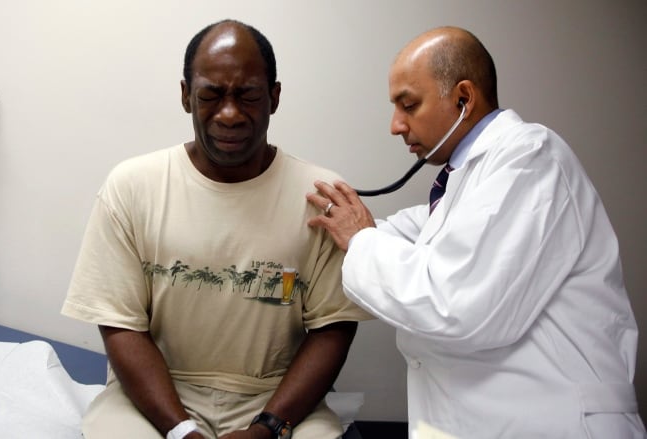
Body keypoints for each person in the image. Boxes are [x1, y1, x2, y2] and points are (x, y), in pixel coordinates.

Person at [307, 26, 646, 438]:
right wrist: (330, 228)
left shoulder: (530, 158)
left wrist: (360, 239)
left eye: (408, 105)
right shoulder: (462, 189)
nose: (396, 125)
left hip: (555, 423)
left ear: (464, 99)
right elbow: (401, 234)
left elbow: (455, 306)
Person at [62, 19, 371, 439]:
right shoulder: (132, 187)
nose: (230, 113)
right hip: (157, 396)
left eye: (248, 95)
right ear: (186, 96)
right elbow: (120, 325)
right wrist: (180, 430)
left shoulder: (320, 199)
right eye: (211, 95)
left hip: (275, 398)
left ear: (274, 98)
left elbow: (332, 327)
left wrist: (267, 427)